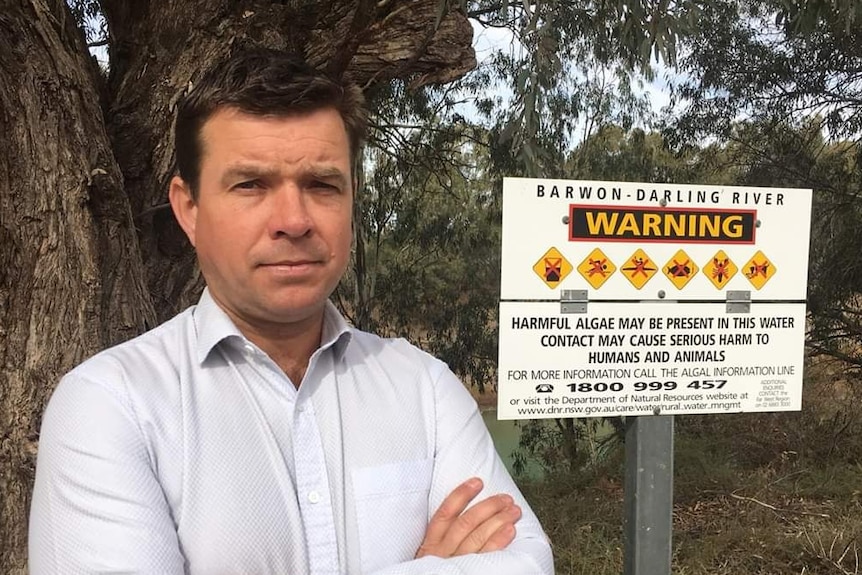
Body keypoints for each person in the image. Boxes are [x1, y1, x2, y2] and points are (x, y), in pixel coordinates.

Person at [29, 47, 554, 574]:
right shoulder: (112, 407)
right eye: (251, 185)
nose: (294, 220)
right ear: (189, 208)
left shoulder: (424, 389)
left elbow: (525, 562)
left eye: (321, 185)